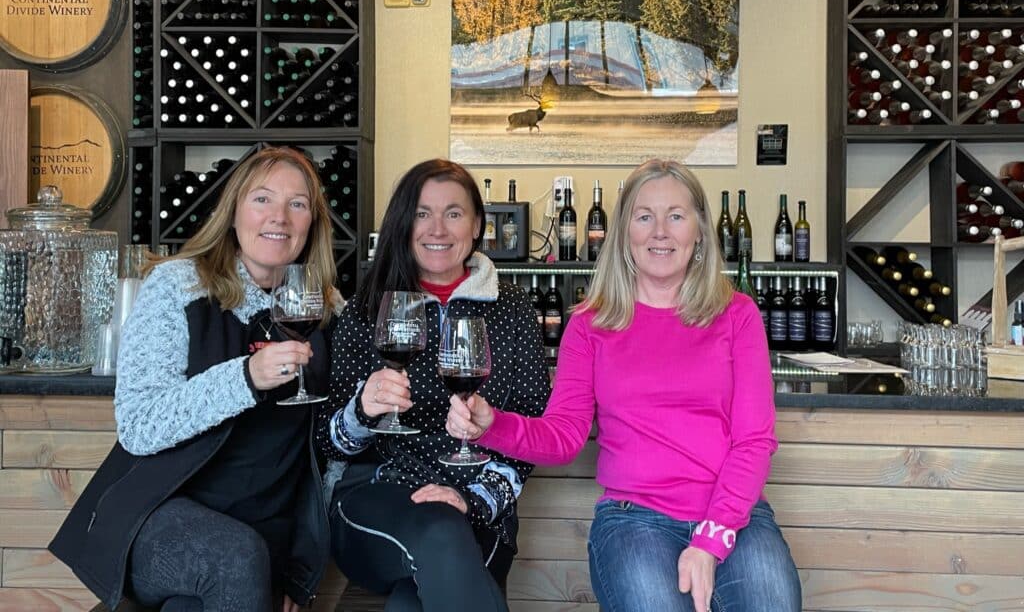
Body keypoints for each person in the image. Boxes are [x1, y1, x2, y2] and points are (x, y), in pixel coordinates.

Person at [446, 159, 802, 612]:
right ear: (623, 233)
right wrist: (490, 425)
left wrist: (712, 538)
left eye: (676, 215)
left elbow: (754, 441)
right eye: (644, 216)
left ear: (698, 231)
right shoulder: (591, 323)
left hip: (735, 517)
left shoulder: (737, 315)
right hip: (635, 521)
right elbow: (564, 437)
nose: (660, 231)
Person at [50, 146, 341, 612]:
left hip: (264, 534)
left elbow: (329, 450)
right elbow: (139, 425)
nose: (280, 217)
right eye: (262, 199)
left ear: (312, 224)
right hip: (159, 514)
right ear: (233, 213)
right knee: (232, 558)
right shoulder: (178, 286)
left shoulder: (326, 309)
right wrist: (245, 378)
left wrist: (302, 564)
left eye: (298, 204)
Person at [315, 158, 550, 612]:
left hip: (481, 507)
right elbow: (329, 441)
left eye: (454, 213)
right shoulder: (368, 309)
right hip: (377, 499)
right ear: (404, 223)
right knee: (440, 533)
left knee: (411, 605)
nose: (437, 228)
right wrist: (361, 411)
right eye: (422, 213)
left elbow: (533, 430)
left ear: (478, 223)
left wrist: (475, 498)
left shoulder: (512, 309)